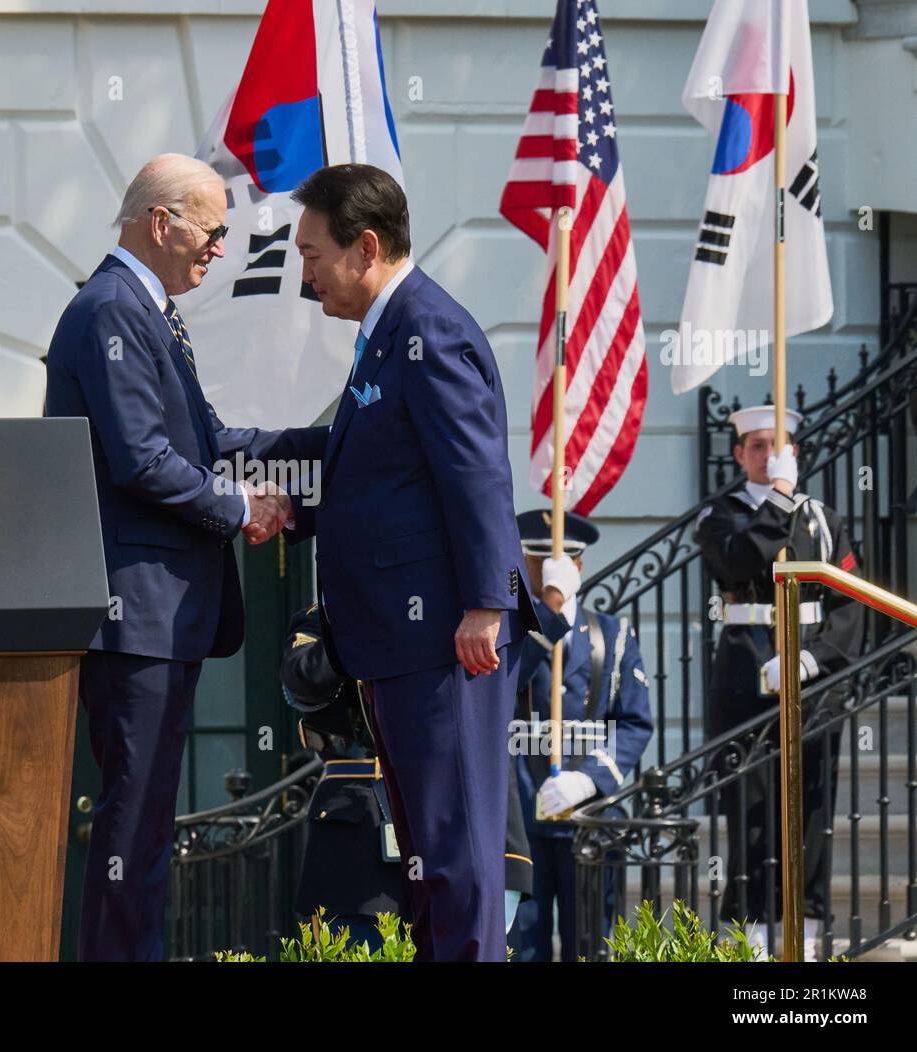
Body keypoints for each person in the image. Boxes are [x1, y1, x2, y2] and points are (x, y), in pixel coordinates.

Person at [43, 153, 329, 961]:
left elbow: (210, 441)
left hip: (158, 617)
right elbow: (140, 459)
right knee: (134, 825)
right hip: (135, 616)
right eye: (211, 231)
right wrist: (242, 507)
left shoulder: (147, 310)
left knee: (143, 821)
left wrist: (332, 441)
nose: (219, 251)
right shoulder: (111, 309)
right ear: (161, 221)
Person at [284, 163, 539, 962]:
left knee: (459, 858)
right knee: (429, 862)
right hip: (402, 641)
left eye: (313, 253)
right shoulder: (389, 334)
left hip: (447, 640)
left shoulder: (431, 330)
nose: (304, 273)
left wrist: (486, 605)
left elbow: (477, 472)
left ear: (364, 247)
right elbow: (375, 475)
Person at [696, 405, 863, 960]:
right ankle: (752, 933)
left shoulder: (823, 519)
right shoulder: (720, 516)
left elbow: (850, 606)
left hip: (810, 682)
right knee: (750, 809)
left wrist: (811, 662)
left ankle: (806, 926)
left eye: (779, 446)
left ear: (794, 451)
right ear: (741, 454)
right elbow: (743, 564)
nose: (769, 456)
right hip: (746, 676)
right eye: (759, 446)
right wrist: (780, 497)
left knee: (811, 806)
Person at [280, 603, 534, 952]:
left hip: (450, 824)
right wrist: (357, 622)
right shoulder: (325, 616)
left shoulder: (459, 611)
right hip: (357, 834)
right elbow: (301, 681)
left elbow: (495, 722)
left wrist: (509, 861)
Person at [507, 510, 654, 962]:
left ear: (581, 564)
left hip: (589, 819)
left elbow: (635, 722)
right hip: (521, 824)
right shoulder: (504, 632)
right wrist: (546, 610)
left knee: (592, 946)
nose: (556, 565)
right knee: (520, 949)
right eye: (540, 558)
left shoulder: (613, 634)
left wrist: (589, 779)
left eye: (567, 557)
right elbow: (503, 688)